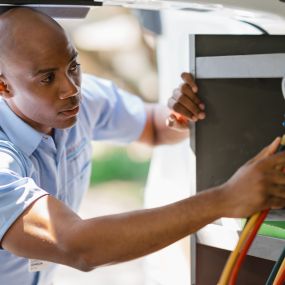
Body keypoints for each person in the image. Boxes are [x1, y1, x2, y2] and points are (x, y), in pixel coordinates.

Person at [0, 7, 284, 285]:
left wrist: (178, 116)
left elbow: (152, 127)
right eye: (47, 78)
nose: (71, 89)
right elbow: (77, 245)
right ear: (4, 87)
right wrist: (226, 199)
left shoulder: (81, 101)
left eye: (73, 66)